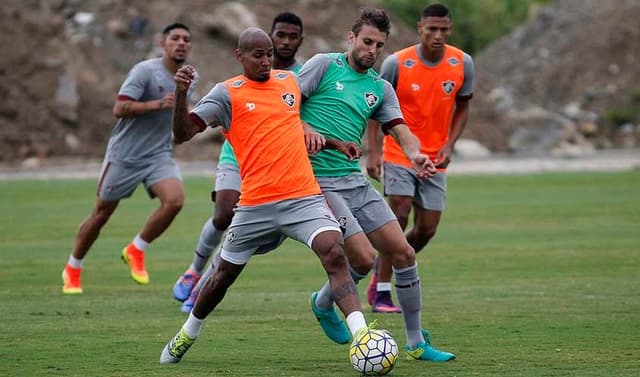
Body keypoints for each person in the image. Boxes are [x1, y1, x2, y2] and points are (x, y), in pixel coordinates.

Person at [160, 27, 373, 364]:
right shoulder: (226, 93)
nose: (265, 61)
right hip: (256, 204)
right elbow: (183, 133)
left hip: (302, 195)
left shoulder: (289, 82)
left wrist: (333, 143)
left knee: (333, 251)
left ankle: (363, 337)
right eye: (257, 55)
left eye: (269, 54)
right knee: (221, 277)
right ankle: (188, 332)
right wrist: (182, 93)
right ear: (239, 56)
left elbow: (293, 126)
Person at [299, 7, 456, 361]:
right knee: (364, 258)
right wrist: (305, 128)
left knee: (403, 252)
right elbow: (285, 104)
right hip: (318, 180)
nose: (372, 50)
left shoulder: (380, 87)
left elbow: (400, 129)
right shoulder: (324, 65)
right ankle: (326, 305)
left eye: (379, 45)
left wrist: (415, 154)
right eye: (367, 41)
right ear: (351, 38)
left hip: (354, 180)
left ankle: (415, 343)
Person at [171, 12, 305, 310]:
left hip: (276, 162)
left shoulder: (300, 76)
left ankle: (205, 284)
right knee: (223, 214)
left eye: (291, 37)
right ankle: (194, 271)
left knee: (244, 230)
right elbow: (184, 131)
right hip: (238, 151)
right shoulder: (232, 87)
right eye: (278, 36)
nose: (284, 42)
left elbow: (303, 117)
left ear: (300, 40)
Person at [61, 23, 196, 294]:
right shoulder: (145, 71)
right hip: (125, 155)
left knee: (175, 200)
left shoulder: (191, 76)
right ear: (163, 43)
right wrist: (156, 105)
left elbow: (181, 114)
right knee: (101, 215)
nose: (181, 43)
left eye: (186, 39)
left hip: (158, 153)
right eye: (175, 38)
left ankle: (136, 248)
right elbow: (119, 108)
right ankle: (73, 267)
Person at [366, 3, 474, 314]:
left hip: (434, 158)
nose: (437, 35)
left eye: (443, 30)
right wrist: (373, 151)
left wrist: (451, 144)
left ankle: (385, 264)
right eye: (432, 30)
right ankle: (383, 291)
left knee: (427, 228)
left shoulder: (462, 63)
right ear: (420, 29)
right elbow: (374, 107)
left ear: (449, 29)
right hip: (399, 152)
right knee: (397, 216)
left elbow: (463, 106)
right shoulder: (397, 63)